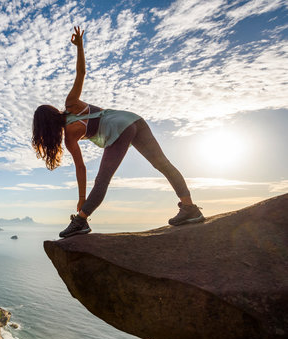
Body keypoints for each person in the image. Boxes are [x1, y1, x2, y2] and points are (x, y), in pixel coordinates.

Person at [32, 26, 205, 238]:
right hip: (133, 119)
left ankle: (81, 221)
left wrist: (82, 197)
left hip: (119, 130)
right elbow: (81, 73)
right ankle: (190, 208)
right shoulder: (71, 105)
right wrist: (79, 47)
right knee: (163, 164)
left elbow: (81, 169)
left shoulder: (69, 137)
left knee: (103, 179)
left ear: (44, 129)